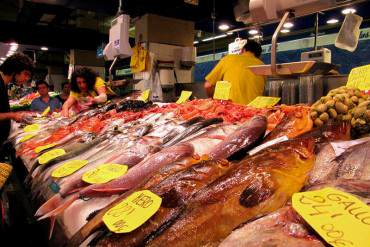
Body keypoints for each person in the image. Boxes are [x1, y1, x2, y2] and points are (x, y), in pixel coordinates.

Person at [204, 39, 265, 105]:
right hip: (256, 111)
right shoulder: (262, 66)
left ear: (243, 50)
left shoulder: (228, 59)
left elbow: (208, 85)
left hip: (231, 110)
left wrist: (212, 100)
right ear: (259, 56)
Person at [0, 53, 35, 149]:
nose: (27, 78)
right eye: (26, 74)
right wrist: (12, 115)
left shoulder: (4, 83)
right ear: (15, 70)